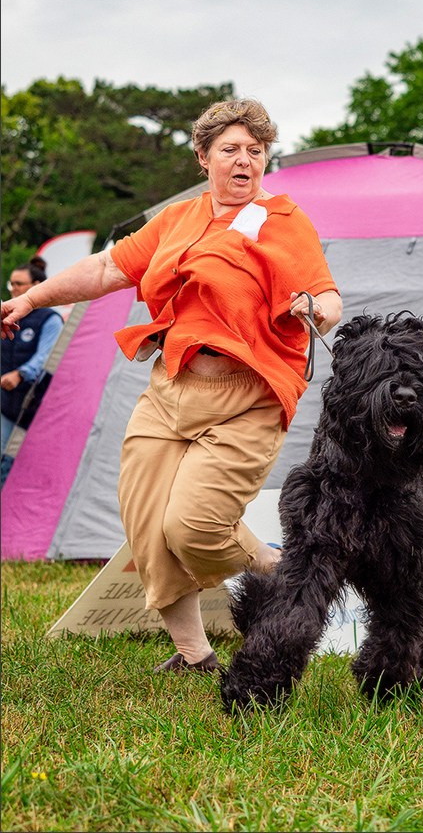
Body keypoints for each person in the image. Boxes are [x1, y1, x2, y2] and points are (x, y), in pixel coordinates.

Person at [2, 98, 342, 672]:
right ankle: (193, 654)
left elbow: (327, 296)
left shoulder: (285, 220)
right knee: (146, 525)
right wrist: (31, 297)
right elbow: (109, 269)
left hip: (247, 398)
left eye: (255, 152)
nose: (244, 161)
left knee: (194, 527)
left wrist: (316, 308)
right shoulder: (178, 219)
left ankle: (278, 567)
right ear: (203, 157)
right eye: (230, 150)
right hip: (169, 388)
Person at [1, 256, 63, 453]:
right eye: (12, 284)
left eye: (19, 284)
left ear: (36, 285)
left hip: (34, 403)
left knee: (18, 457)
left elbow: (47, 356)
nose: (13, 289)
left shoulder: (50, 319)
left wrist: (21, 374)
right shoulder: (8, 316)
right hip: (5, 400)